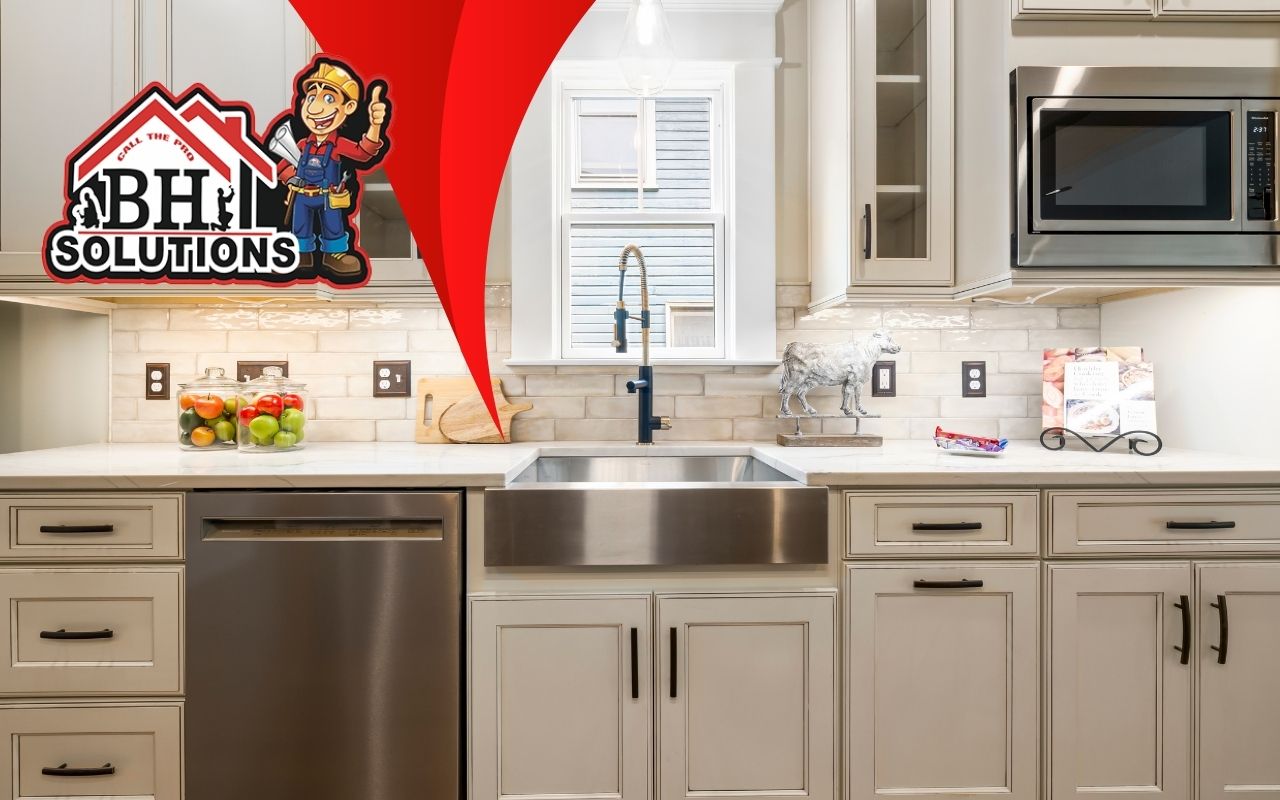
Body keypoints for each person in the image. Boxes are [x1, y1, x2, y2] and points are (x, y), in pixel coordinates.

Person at [276, 61, 387, 280]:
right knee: (300, 225)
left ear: (349, 107)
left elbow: (363, 152)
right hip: (302, 197)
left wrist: (375, 126)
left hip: (329, 197)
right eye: (311, 98)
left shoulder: (338, 145)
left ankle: (334, 255)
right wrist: (291, 179)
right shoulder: (300, 145)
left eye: (328, 99)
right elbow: (283, 166)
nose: (315, 108)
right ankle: (300, 254)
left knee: (333, 225)